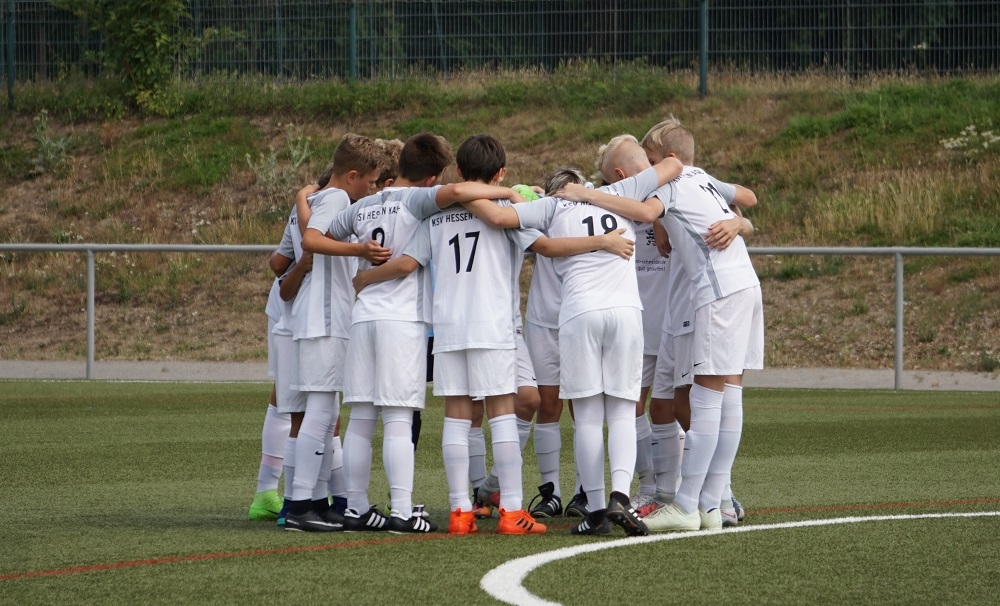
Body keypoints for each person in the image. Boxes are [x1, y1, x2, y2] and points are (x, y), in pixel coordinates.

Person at [556, 117, 762, 532]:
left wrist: (585, 193)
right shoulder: (700, 177)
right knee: (721, 397)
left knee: (706, 400)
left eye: (650, 161)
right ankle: (707, 503)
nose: (647, 170)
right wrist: (738, 221)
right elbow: (744, 198)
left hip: (715, 292)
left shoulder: (671, 183)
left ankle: (693, 504)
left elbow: (654, 208)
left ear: (668, 160)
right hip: (736, 287)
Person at [461, 154, 683, 536]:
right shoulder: (620, 191)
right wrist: (596, 195)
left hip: (579, 313)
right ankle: (620, 496)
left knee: (588, 416)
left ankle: (595, 512)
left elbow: (496, 218)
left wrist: (492, 194)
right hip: (626, 313)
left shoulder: (551, 206)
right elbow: (673, 166)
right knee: (622, 411)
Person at [283, 134, 390, 532]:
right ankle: (299, 505)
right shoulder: (337, 198)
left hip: (323, 315)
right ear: (352, 175)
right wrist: (360, 250)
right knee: (321, 411)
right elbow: (311, 240)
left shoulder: (329, 197)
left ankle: (315, 501)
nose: (372, 189)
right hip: (324, 316)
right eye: (370, 181)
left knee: (326, 413)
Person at [247, 245, 294, 521]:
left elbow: (277, 260)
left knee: (285, 399)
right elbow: (277, 263)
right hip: (298, 307)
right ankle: (306, 497)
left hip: (296, 304)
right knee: (316, 403)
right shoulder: (317, 214)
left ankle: (267, 492)